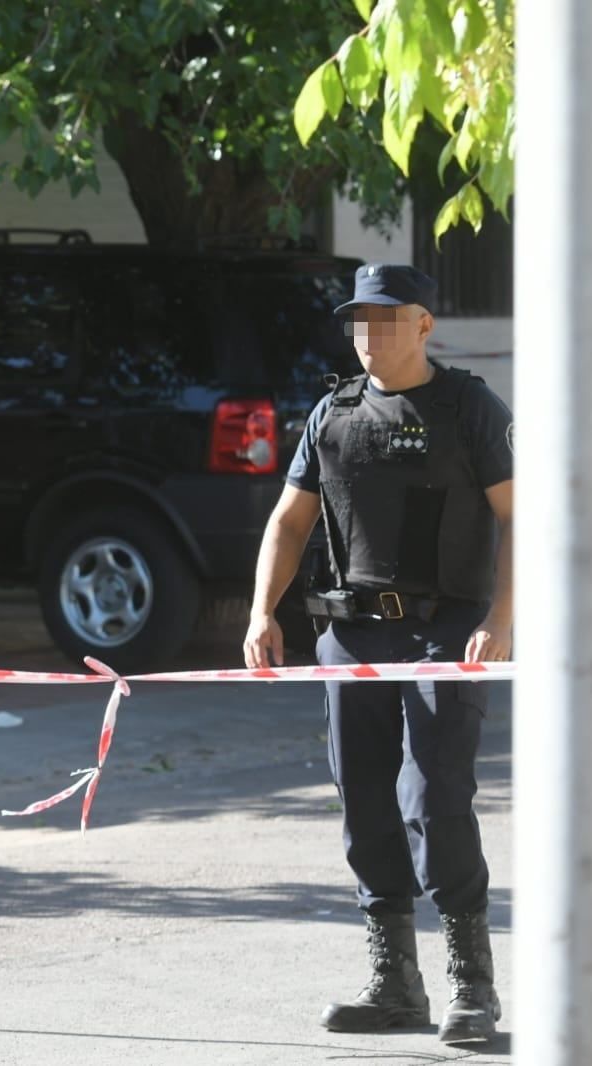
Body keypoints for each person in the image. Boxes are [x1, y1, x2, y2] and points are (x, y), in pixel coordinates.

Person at [242, 264, 513, 1045]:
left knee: (432, 799)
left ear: (423, 325)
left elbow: (516, 516)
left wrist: (501, 616)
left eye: (386, 320)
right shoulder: (332, 410)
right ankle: (395, 985)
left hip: (442, 629)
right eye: (358, 321)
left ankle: (472, 987)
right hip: (350, 633)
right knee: (363, 803)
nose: (368, 336)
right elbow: (289, 522)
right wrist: (263, 612)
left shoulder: (469, 407)